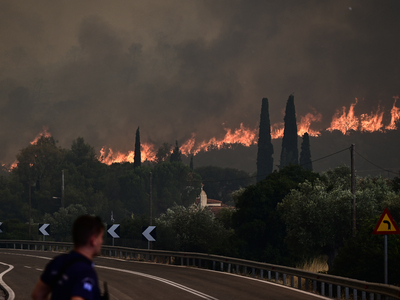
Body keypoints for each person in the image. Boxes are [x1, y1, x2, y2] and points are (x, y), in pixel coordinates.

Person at [32, 215, 105, 300]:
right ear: (93, 240)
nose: (102, 241)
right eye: (100, 237)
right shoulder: (86, 272)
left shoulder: (58, 261)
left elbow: (38, 295)